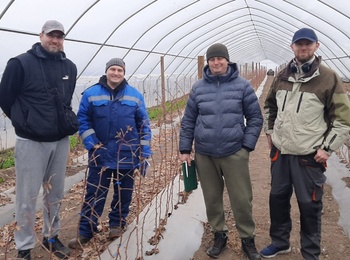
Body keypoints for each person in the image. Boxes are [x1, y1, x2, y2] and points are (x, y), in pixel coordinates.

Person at [261, 28, 350, 259]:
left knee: (309, 206)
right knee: (277, 200)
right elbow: (270, 106)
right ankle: (280, 242)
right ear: (292, 47)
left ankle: (310, 252)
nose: (303, 48)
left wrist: (327, 148)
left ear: (316, 46)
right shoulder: (281, 76)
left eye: (307, 44)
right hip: (281, 153)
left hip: (309, 156)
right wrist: (270, 132)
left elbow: (342, 119)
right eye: (299, 44)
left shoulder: (328, 78)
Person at [0, 20, 77, 259]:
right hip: (31, 141)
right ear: (41, 35)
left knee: (55, 193)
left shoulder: (69, 67)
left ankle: (51, 237)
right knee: (27, 196)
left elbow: (65, 101)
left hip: (60, 140)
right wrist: (24, 122)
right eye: (51, 35)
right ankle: (24, 247)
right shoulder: (20, 63)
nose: (55, 40)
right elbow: (5, 97)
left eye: (59, 36)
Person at [179, 43, 263, 260]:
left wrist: (246, 147)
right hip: (205, 154)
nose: (216, 62)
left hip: (234, 152)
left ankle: (247, 239)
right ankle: (219, 235)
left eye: (220, 58)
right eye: (212, 59)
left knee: (242, 199)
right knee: (212, 198)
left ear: (227, 60)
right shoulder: (198, 88)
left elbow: (255, 118)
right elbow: (188, 120)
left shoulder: (242, 86)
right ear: (208, 63)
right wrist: (185, 149)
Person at [68, 58, 152, 249]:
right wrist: (92, 144)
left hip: (127, 154)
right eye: (112, 69)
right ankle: (86, 231)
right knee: (95, 193)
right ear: (106, 71)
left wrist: (144, 152)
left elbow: (144, 124)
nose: (116, 73)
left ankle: (117, 224)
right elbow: (83, 120)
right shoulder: (91, 93)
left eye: (119, 70)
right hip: (101, 154)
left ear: (124, 73)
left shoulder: (135, 95)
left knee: (124, 193)